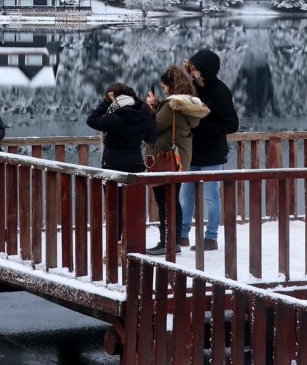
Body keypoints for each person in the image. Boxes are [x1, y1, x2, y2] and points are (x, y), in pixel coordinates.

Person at [86, 83, 157, 262]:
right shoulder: (144, 113)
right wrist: (152, 116)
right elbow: (151, 137)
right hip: (136, 167)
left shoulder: (115, 117)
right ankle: (134, 248)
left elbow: (92, 120)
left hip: (113, 168)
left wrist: (105, 102)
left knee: (114, 211)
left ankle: (115, 251)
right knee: (133, 211)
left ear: (114, 97)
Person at [145, 66, 210, 256]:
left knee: (165, 202)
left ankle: (167, 242)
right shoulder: (183, 104)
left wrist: (148, 110)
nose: (163, 90)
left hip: (165, 160)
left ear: (172, 86)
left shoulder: (171, 105)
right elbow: (168, 121)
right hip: (179, 160)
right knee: (172, 200)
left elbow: (154, 127)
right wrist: (158, 105)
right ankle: (174, 241)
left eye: (165, 86)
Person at [180, 49, 239, 251]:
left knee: (211, 196)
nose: (192, 73)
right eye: (190, 69)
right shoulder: (190, 88)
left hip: (213, 153)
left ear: (205, 70)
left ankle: (211, 237)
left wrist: (202, 128)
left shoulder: (221, 91)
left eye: (195, 69)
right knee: (185, 194)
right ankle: (182, 235)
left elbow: (232, 124)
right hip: (191, 151)